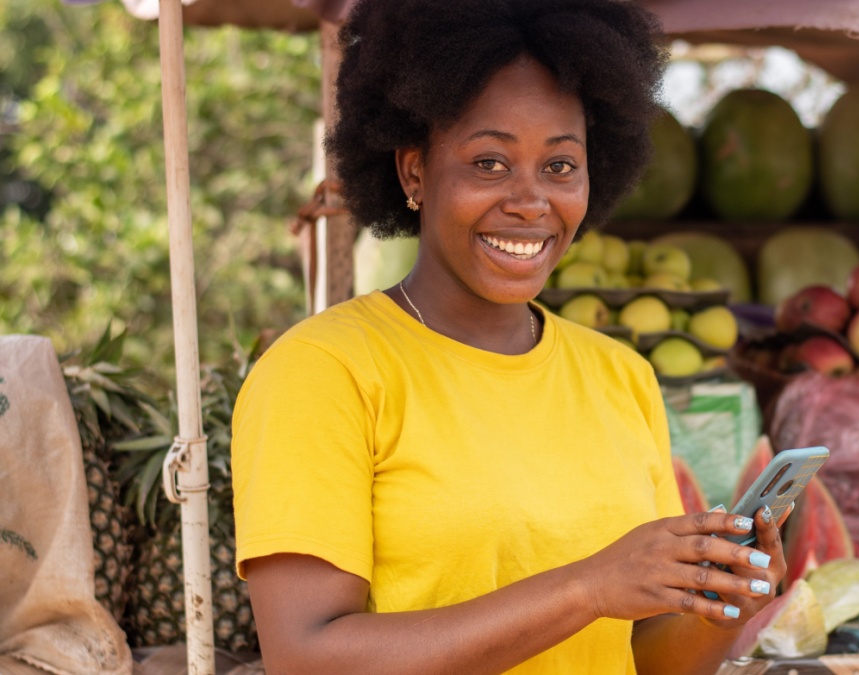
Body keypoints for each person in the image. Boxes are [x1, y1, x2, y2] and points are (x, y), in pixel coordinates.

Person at [231, 1, 790, 672]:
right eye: (490, 163)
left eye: (560, 166)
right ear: (414, 170)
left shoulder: (621, 377)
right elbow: (306, 657)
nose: (531, 202)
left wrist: (722, 610)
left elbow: (642, 658)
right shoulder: (322, 372)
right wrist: (588, 586)